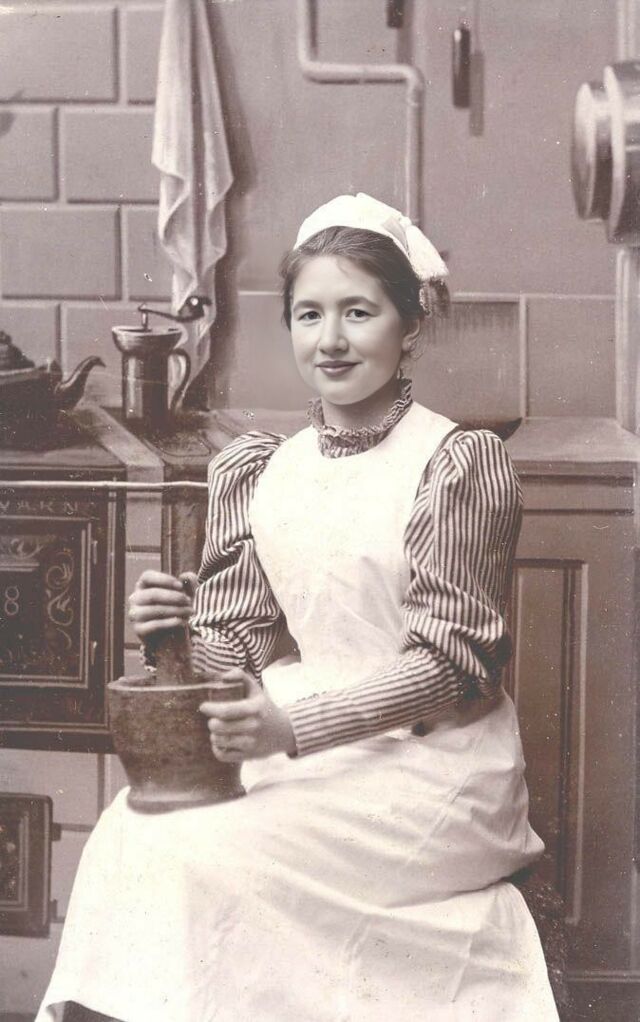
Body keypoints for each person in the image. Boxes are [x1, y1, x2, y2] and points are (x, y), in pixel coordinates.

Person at [37, 193, 559, 1021]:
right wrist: (173, 638)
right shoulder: (259, 468)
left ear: (410, 325)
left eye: (359, 311)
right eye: (310, 314)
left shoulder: (457, 462)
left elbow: (451, 667)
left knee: (203, 852)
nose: (331, 339)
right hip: (302, 738)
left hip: (433, 767)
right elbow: (235, 653)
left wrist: (291, 730)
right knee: (133, 832)